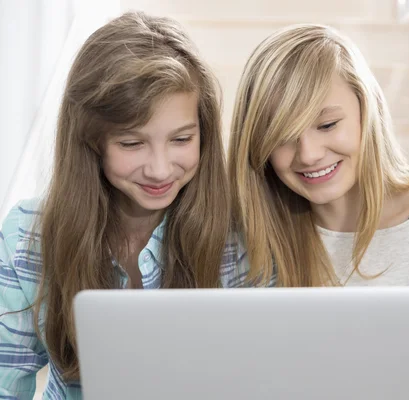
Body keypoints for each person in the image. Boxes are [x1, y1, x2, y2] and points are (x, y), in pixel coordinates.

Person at [228, 24, 409, 399]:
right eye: (282, 136)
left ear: (366, 109)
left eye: (327, 124)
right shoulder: (254, 234)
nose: (308, 154)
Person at [0, 11, 235, 399]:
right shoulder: (27, 235)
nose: (160, 169)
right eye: (132, 143)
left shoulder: (235, 234)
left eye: (181, 140)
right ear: (92, 141)